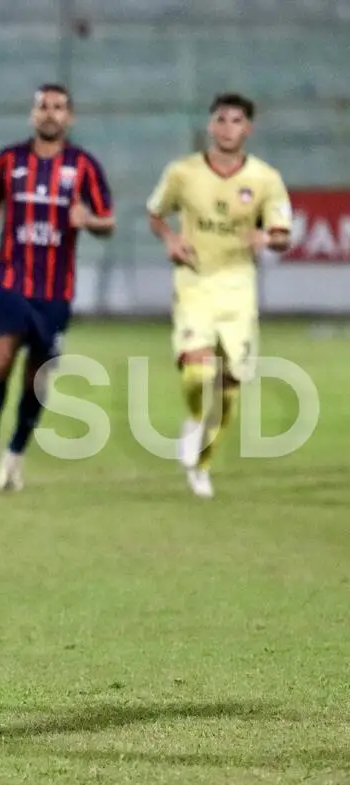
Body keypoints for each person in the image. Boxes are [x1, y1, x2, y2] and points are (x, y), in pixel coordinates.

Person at [0, 84, 114, 491]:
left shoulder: (84, 166)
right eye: (43, 106)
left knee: (37, 376)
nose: (50, 113)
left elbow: (108, 220)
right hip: (10, 282)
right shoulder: (9, 160)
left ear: (70, 117)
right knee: (0, 360)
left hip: (54, 292)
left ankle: (14, 455)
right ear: (33, 115)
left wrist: (89, 220)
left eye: (59, 107)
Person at [146, 93, 291, 498]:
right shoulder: (183, 173)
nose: (228, 127)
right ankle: (195, 420)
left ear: (248, 129)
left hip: (239, 291)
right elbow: (155, 212)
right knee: (197, 373)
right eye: (221, 120)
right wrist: (171, 238)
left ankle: (202, 466)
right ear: (211, 126)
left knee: (228, 388)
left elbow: (282, 234)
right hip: (194, 284)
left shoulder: (266, 179)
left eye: (236, 121)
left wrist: (267, 237)